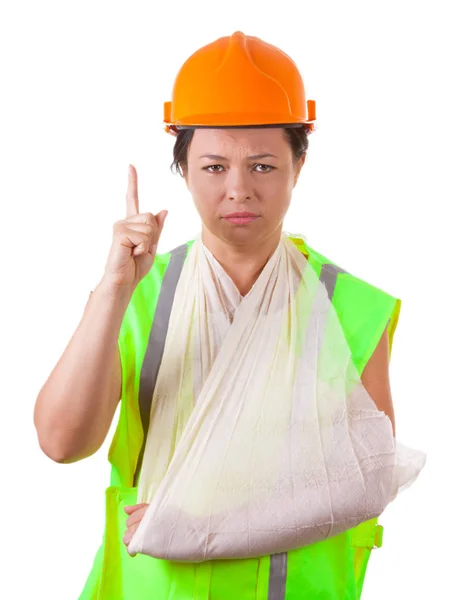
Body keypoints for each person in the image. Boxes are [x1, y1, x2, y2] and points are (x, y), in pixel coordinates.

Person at [34, 31, 424, 600]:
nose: (238, 189)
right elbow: (61, 442)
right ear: (184, 170)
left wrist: (207, 531)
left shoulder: (349, 306)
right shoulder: (138, 297)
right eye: (214, 167)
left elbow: (365, 481)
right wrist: (112, 289)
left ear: (299, 165)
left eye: (263, 166)